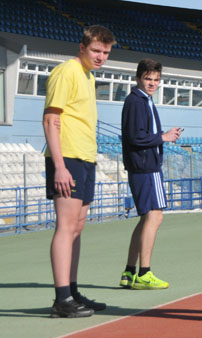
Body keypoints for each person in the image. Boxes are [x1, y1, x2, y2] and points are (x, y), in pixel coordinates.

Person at [43, 25, 116, 318]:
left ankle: (71, 291)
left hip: (85, 157)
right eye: (96, 50)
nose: (101, 57)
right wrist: (59, 167)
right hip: (68, 157)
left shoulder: (88, 76)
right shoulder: (66, 72)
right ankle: (62, 299)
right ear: (83, 47)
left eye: (106, 52)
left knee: (77, 227)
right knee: (65, 225)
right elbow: (51, 119)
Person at [120, 59, 182, 290]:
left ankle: (129, 272)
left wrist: (163, 136)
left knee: (147, 218)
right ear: (138, 78)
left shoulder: (142, 101)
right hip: (146, 167)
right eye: (148, 79)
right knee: (155, 217)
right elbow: (135, 137)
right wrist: (163, 137)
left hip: (143, 166)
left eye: (156, 79)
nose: (153, 83)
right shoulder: (137, 101)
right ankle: (144, 272)